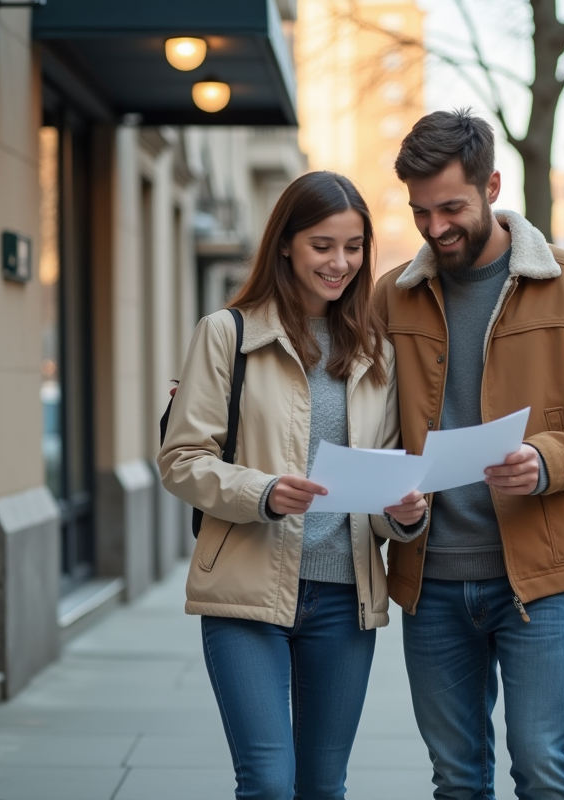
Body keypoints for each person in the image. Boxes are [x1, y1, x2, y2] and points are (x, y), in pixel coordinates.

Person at [372, 110, 564, 799]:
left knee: (546, 772)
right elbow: (341, 406)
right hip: (429, 581)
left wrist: (547, 459)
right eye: (421, 212)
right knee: (456, 781)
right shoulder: (389, 297)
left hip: (541, 580)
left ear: (492, 185)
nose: (436, 228)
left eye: (452, 208)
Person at [158, 171, 428, 800]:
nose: (340, 263)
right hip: (247, 593)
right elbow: (182, 459)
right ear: (286, 243)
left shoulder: (374, 350)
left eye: (353, 247)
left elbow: (382, 475)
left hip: (343, 601)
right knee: (270, 786)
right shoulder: (227, 335)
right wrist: (263, 492)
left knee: (322, 787)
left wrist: (404, 512)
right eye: (322, 246)